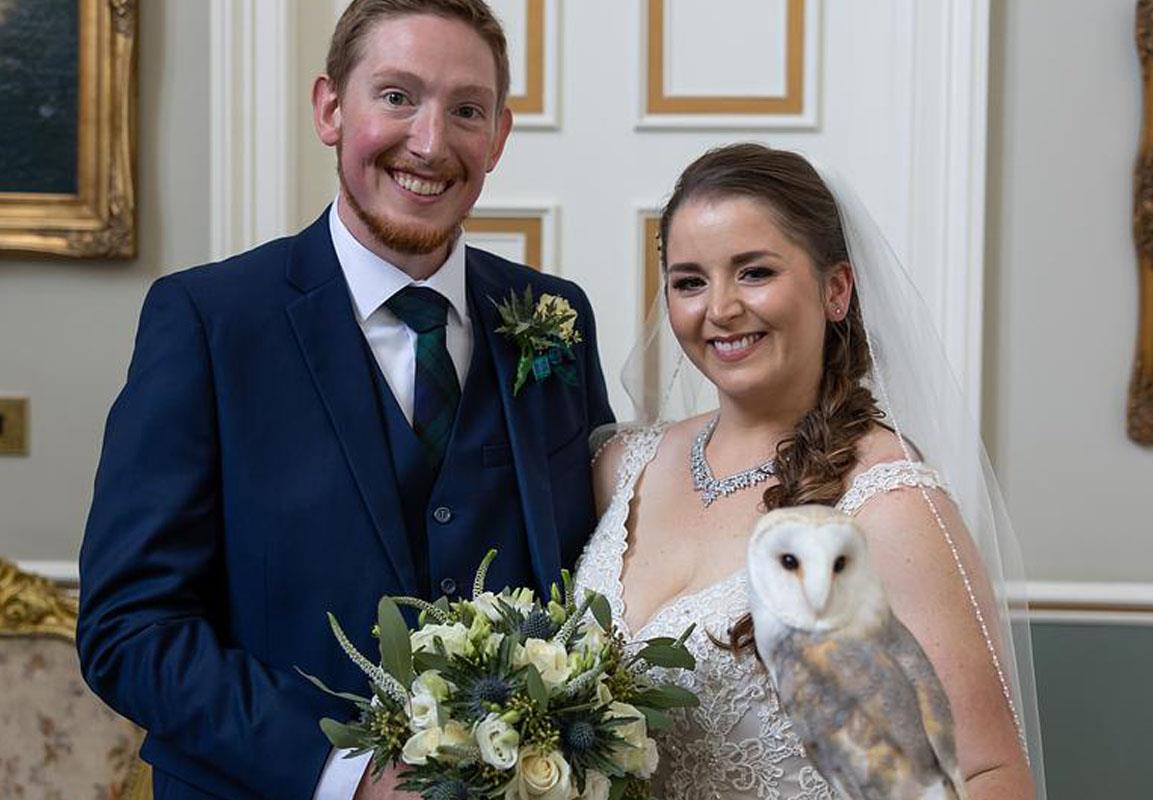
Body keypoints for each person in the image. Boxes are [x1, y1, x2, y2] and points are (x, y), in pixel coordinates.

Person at [76, 2, 613, 799]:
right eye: (396, 97)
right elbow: (129, 628)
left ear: (498, 136)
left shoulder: (554, 319)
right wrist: (346, 773)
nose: (430, 143)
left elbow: (599, 570)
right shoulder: (209, 323)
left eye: (466, 109)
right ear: (331, 108)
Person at [578, 144, 1044, 799]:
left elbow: (992, 775)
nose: (720, 308)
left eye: (754, 272)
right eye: (690, 281)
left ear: (835, 289)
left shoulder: (890, 504)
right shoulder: (623, 467)